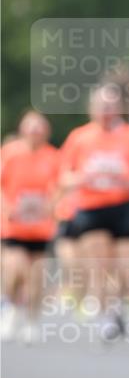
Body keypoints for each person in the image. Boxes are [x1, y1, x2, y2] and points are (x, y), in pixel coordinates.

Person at [60, 83, 129, 342]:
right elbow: (64, 177)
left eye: (111, 106)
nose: (106, 110)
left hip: (123, 207)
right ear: (91, 108)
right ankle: (104, 316)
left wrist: (127, 179)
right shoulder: (80, 137)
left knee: (127, 267)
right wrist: (83, 177)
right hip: (91, 208)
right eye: (101, 105)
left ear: (120, 108)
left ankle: (117, 305)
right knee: (100, 264)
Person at [1, 111, 60, 342]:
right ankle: (12, 308)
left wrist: (50, 206)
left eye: (39, 127)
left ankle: (32, 320)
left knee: (35, 275)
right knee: (15, 269)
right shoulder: (9, 153)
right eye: (31, 127)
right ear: (22, 129)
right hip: (13, 226)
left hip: (40, 229)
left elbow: (60, 187)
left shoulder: (53, 157)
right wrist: (8, 208)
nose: (35, 132)